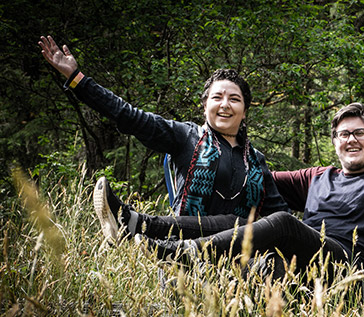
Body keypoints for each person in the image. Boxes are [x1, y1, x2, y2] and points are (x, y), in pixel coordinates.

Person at [94, 102, 364, 278]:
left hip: (351, 271)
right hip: (304, 267)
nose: (351, 141)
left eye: (360, 134)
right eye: (344, 135)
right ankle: (136, 224)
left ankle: (175, 253)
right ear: (334, 142)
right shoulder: (316, 177)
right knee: (241, 232)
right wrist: (211, 154)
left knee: (281, 222)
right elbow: (252, 177)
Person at [38, 35, 288, 243]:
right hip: (181, 255)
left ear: (244, 112)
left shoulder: (256, 162)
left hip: (237, 266)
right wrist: (77, 79)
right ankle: (129, 221)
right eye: (217, 97)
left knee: (242, 224)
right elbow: (128, 116)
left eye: (234, 99)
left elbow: (281, 218)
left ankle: (132, 222)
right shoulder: (186, 136)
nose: (225, 105)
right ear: (204, 106)